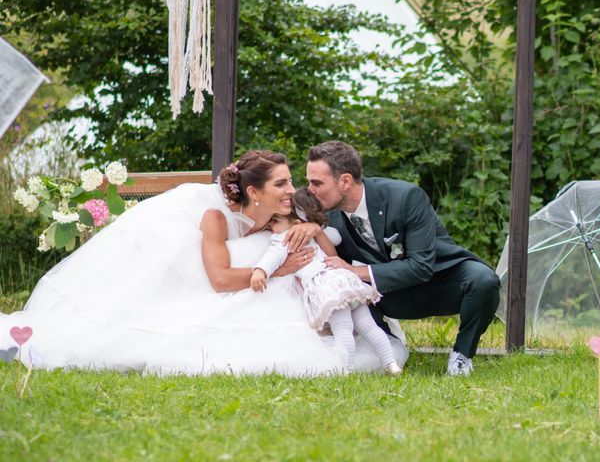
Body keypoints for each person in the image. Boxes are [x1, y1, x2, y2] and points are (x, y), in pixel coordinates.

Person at [0, 150, 408, 376]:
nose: (292, 190)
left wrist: (308, 234)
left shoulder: (281, 216)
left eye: (290, 182)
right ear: (254, 191)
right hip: (182, 275)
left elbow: (318, 240)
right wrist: (277, 270)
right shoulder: (214, 217)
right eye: (282, 184)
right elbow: (218, 279)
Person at [306, 141, 500, 376]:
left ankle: (462, 356)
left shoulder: (406, 197)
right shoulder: (326, 217)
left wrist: (356, 271)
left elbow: (421, 266)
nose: (310, 190)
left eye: (316, 183)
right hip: (386, 296)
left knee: (484, 280)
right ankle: (387, 347)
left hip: (438, 279)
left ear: (345, 181)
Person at [250, 188, 402, 375]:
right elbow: (336, 237)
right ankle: (391, 364)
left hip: (327, 288)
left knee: (343, 328)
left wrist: (260, 271)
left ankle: (346, 370)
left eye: (274, 221)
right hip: (344, 282)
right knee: (368, 326)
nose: (270, 227)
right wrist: (316, 227)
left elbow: (273, 256)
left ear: (296, 222)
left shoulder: (285, 238)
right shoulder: (313, 234)